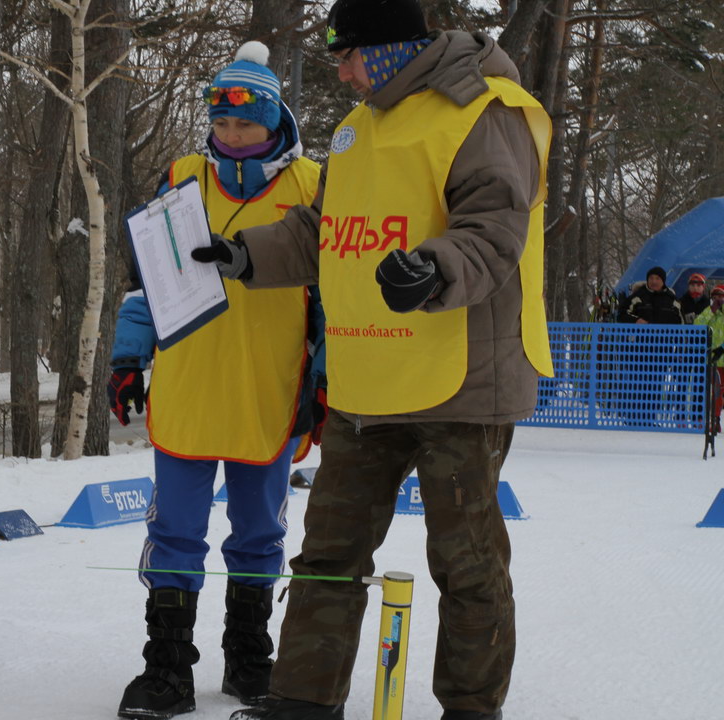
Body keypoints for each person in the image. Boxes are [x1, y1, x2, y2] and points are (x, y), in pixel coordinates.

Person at [193, 1, 552, 718]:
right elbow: (321, 230)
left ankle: (472, 709)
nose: (342, 68)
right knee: (328, 553)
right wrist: (244, 255)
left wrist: (433, 268)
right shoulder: (358, 126)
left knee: (467, 562)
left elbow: (495, 226)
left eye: (350, 53)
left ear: (390, 48)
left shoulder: (485, 108)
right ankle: (302, 699)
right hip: (367, 381)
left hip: (461, 381)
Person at [107, 41, 327, 720]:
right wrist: (126, 358)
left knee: (258, 532)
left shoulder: (312, 184)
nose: (232, 136)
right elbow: (149, 277)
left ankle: (250, 658)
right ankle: (167, 667)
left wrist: (324, 384)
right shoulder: (182, 175)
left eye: (246, 123)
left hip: (269, 386)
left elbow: (331, 298)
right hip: (190, 381)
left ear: (275, 121)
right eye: (222, 122)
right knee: (175, 531)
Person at [695, 285, 724, 435]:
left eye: (721, 296)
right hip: (714, 361)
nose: (718, 300)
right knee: (716, 392)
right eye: (715, 296)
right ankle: (714, 419)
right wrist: (711, 310)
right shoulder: (710, 313)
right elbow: (697, 325)